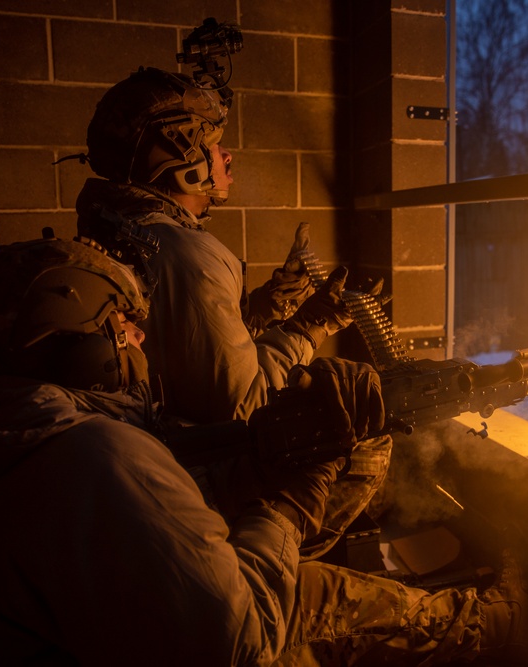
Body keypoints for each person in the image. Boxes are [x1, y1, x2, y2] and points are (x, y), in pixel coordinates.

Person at [0, 238, 528, 664]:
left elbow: (164, 486)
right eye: (121, 323)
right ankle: (502, 626)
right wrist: (293, 500)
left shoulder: (1, 428)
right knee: (313, 595)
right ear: (72, 340)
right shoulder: (93, 456)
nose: (137, 336)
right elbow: (240, 642)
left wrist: (258, 459)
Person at [74, 64, 390, 559]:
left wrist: (271, 304)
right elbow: (244, 407)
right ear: (184, 163)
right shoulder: (187, 254)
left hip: (139, 449)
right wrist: (311, 325)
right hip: (185, 471)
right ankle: (271, 574)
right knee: (367, 434)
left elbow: (183, 346)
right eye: (212, 144)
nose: (225, 155)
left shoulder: (122, 225)